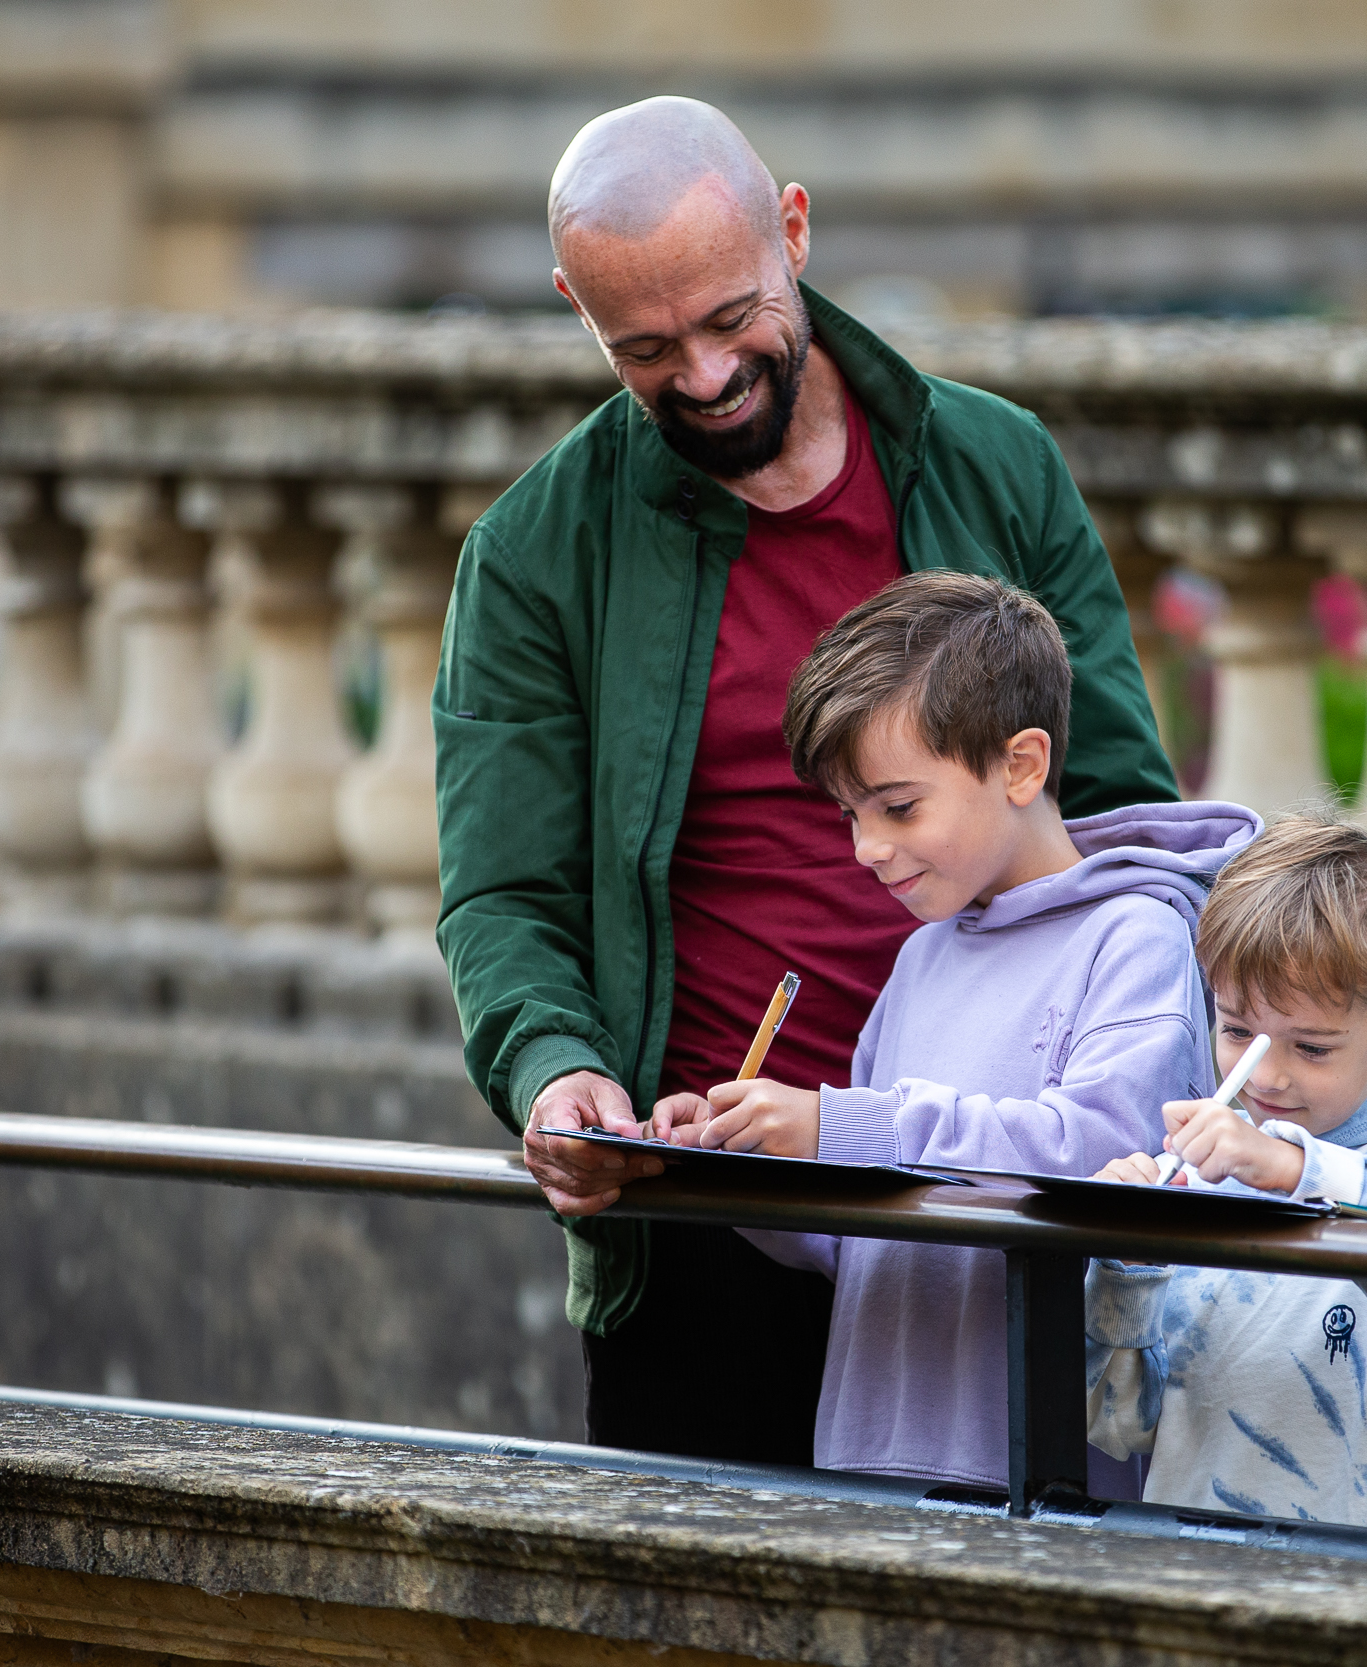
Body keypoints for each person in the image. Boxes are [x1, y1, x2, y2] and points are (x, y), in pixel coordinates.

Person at [432, 97, 1178, 1466]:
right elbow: (501, 893)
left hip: (1000, 1199)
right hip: (709, 1216)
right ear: (574, 309)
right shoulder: (535, 552)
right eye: (644, 350)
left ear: (794, 227)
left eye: (731, 319)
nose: (707, 375)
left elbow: (1125, 811)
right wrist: (559, 1070)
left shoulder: (995, 463)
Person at [656, 571, 1256, 1490]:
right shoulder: (921, 956)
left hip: (1041, 1482)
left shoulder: (1137, 935)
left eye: (898, 807)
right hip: (866, 1459)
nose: (867, 847)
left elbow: (1101, 1159)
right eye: (851, 814)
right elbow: (862, 1237)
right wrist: (739, 1167)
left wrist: (847, 1125)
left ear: (1021, 764)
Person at [1083, 814, 1367, 1540]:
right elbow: (1120, 1424)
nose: (1268, 1073)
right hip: (1201, 1577)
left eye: (1311, 1047)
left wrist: (1290, 1167)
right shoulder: (1200, 1166)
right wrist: (1128, 1262)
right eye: (1234, 1030)